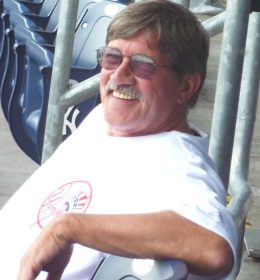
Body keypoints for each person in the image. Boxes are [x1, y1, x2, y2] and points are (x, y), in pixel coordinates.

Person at [0, 0, 237, 279]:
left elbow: (214, 248)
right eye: (112, 58)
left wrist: (68, 228)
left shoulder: (180, 167)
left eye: (143, 66)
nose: (120, 75)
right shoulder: (106, 118)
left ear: (185, 86)